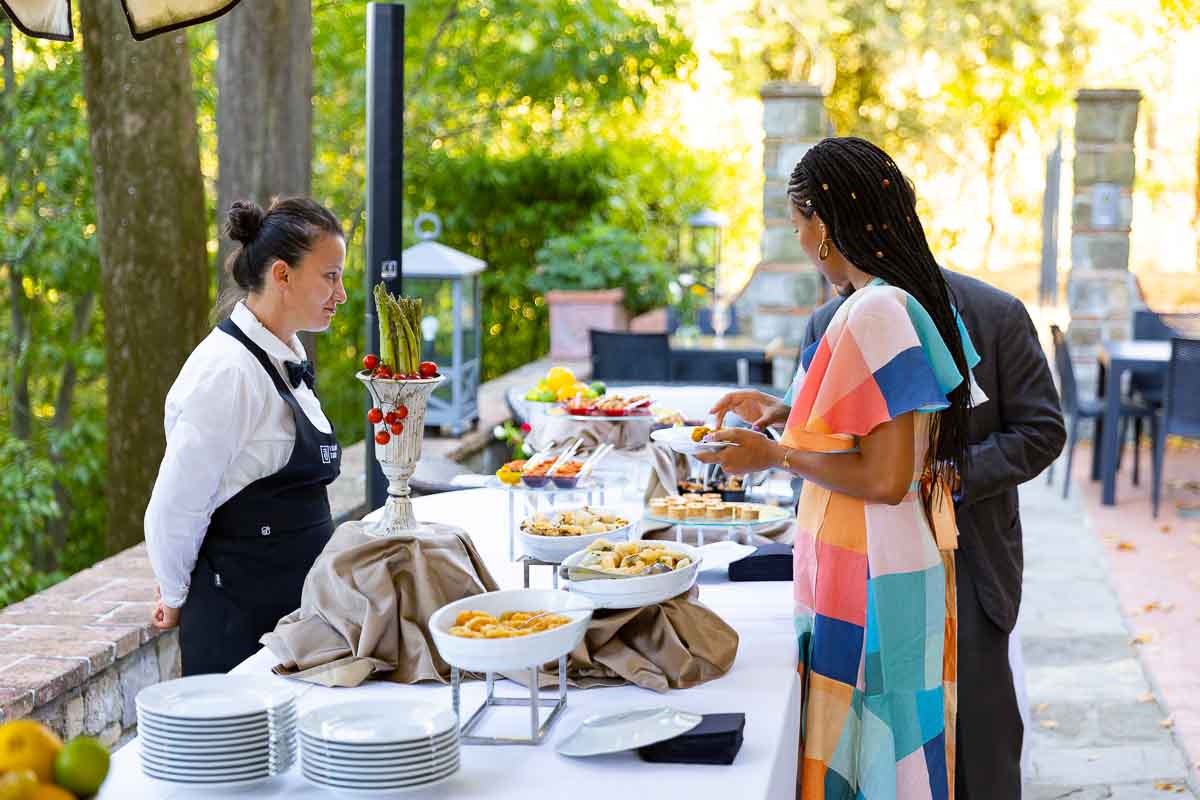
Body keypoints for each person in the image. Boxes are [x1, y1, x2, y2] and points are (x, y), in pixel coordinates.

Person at [710, 139, 1065, 797]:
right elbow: (859, 425)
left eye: (798, 226)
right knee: (894, 750)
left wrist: (948, 477)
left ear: (828, 222)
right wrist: (782, 410)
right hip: (862, 564)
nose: (800, 245)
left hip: (967, 557)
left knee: (976, 749)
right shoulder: (827, 317)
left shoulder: (994, 314)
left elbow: (1042, 431)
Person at [144, 197, 348, 675]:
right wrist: (173, 595)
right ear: (283, 274)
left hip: (293, 620)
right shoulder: (226, 372)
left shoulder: (284, 356)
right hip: (237, 628)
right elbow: (174, 508)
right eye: (331, 276)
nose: (341, 294)